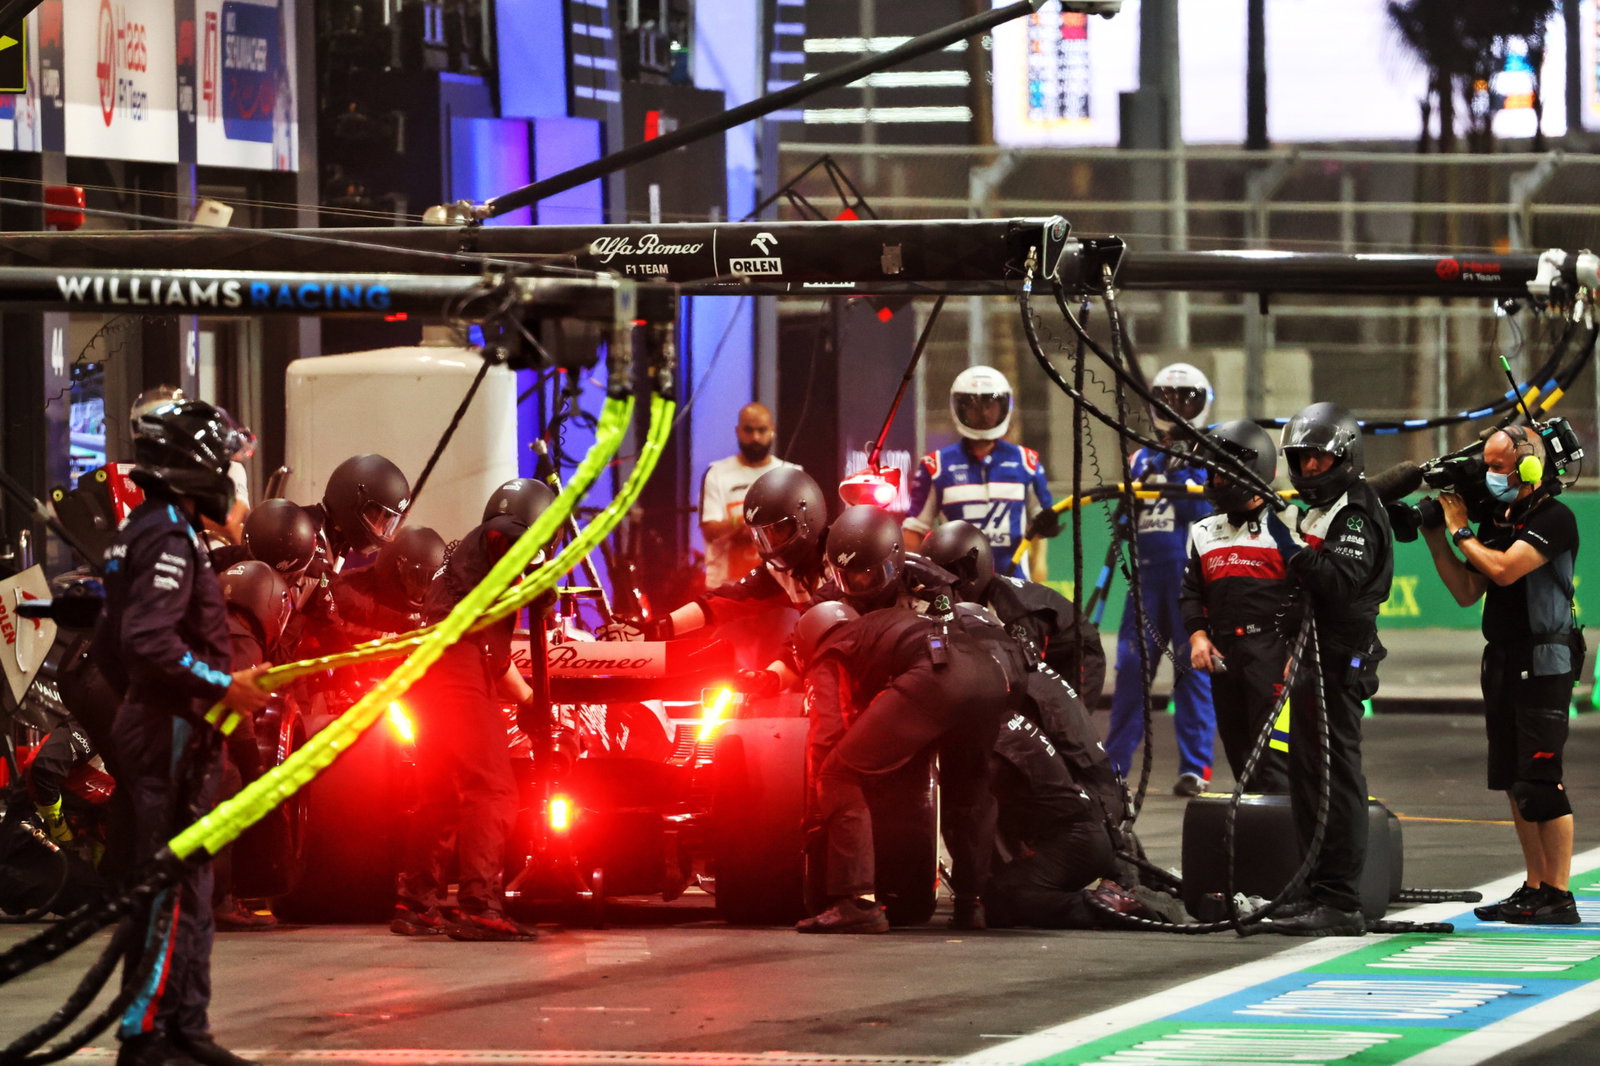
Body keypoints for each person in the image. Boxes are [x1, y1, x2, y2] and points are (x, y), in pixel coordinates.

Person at [92, 399, 273, 1066]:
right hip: (168, 731)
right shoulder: (168, 536)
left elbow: (113, 646)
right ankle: (154, 1036)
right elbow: (147, 644)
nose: (232, 475)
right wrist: (224, 686)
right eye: (226, 461)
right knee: (171, 889)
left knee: (184, 885)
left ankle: (181, 1029)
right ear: (199, 464)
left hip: (163, 725)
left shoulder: (149, 527)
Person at [787, 509, 1016, 933]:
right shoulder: (832, 602)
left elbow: (828, 730)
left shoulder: (929, 587)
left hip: (930, 678)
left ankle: (857, 900)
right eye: (848, 577)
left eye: (868, 575)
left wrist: (822, 790)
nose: (858, 587)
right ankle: (973, 901)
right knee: (972, 788)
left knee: (839, 770)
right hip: (985, 677)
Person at [1423, 424, 1581, 925]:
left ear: (1531, 468)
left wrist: (1461, 529)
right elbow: (1469, 590)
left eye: (1497, 466)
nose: (1489, 476)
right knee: (1515, 781)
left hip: (1545, 660)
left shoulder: (1555, 519)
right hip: (1505, 658)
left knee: (1540, 779)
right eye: (1486, 465)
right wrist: (1435, 537)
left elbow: (1506, 570)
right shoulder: (1500, 518)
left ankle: (1559, 892)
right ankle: (1535, 885)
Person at [391, 477, 553, 942]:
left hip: (434, 667)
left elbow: (497, 661)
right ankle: (480, 905)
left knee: (439, 793)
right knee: (494, 791)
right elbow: (509, 533)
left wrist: (530, 702)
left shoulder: (470, 567)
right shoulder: (497, 538)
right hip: (455, 667)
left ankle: (416, 903)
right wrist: (543, 570)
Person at [1258, 402, 1392, 937]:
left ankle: (1339, 900)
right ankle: (1315, 888)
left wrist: (1286, 543)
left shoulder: (1355, 512)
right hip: (1309, 657)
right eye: (1301, 461)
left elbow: (1337, 581)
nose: (1309, 470)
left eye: (1318, 461)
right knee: (1306, 772)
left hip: (1341, 659)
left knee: (1337, 775)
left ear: (1343, 458)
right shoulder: (1319, 508)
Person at [1105, 362, 1216, 798]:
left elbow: (1206, 516)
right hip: (1146, 584)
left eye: (1186, 398)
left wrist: (1178, 475)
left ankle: (1195, 769)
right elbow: (1121, 520)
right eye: (1168, 399)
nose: (1176, 407)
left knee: (1193, 674)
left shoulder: (1211, 455)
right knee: (1131, 670)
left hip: (1192, 582)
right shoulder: (1139, 458)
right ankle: (1113, 766)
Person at [1180, 420, 1293, 794]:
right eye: (1211, 474)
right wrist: (1198, 636)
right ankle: (1255, 842)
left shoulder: (1290, 524)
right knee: (1240, 756)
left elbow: (1311, 593)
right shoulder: (1203, 531)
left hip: (1273, 654)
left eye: (1222, 474)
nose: (1213, 482)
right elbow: (1191, 592)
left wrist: (1300, 651)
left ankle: (1287, 843)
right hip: (1224, 655)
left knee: (1276, 759)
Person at [647, 466, 831, 672]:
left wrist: (771, 678)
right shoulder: (782, 572)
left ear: (807, 518)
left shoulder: (842, 563)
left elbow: (820, 638)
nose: (771, 542)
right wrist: (660, 627)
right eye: (763, 535)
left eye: (778, 529)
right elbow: (728, 599)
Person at [923, 519, 1106, 708]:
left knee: (1062, 721)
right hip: (1041, 647)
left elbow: (1029, 675)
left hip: (1077, 655)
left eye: (951, 577)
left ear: (972, 573)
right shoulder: (977, 597)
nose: (942, 587)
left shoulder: (1013, 612)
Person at [904, 365, 1056, 581]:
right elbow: (914, 531)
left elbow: (1040, 522)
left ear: (1004, 406)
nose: (984, 413)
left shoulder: (1026, 462)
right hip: (956, 586)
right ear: (960, 408)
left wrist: (1039, 564)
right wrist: (919, 580)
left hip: (1015, 584)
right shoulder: (935, 465)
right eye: (974, 407)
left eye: (991, 405)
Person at [698, 402, 796, 589]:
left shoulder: (790, 474)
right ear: (737, 431)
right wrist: (740, 523)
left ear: (772, 430)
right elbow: (710, 531)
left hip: (778, 588)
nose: (755, 438)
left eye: (761, 430)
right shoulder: (716, 473)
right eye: (748, 430)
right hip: (726, 587)